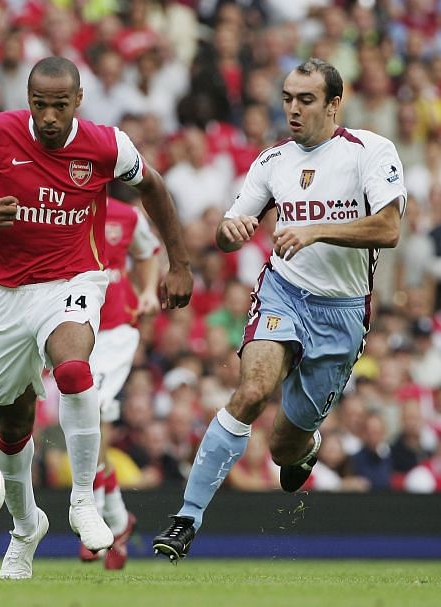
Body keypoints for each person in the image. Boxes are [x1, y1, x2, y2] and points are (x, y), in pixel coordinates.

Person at [0, 56, 193, 580]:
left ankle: (83, 501)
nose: (49, 117)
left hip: (73, 280)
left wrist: (180, 263)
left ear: (78, 101)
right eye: (39, 105)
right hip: (3, 292)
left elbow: (155, 189)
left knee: (75, 372)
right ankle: (25, 527)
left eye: (59, 105)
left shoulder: (107, 145)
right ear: (27, 100)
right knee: (12, 426)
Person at [152, 58, 406, 562]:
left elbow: (388, 229)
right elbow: (228, 231)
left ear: (334, 104)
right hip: (284, 293)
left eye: (305, 99)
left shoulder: (370, 152)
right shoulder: (272, 161)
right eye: (288, 97)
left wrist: (313, 230)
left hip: (343, 313)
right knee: (250, 392)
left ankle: (304, 449)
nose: (292, 108)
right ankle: (186, 518)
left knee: (283, 447)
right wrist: (232, 232)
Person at [81, 194, 161, 570]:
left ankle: (94, 520)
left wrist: (147, 291)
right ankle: (117, 520)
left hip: (115, 330)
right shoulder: (62, 207)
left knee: (88, 409)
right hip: (75, 327)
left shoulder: (127, 216)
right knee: (85, 428)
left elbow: (148, 253)